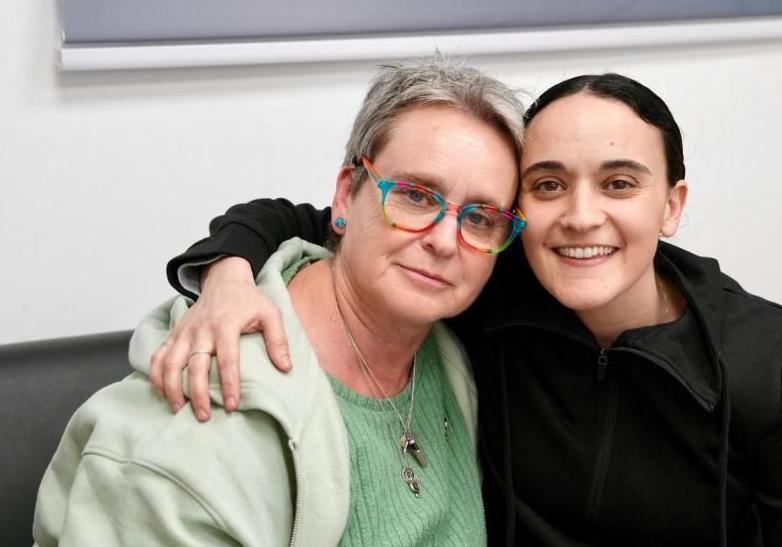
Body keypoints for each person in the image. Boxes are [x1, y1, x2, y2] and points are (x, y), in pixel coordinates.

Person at [152, 74, 782, 546]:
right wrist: (227, 275)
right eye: (549, 184)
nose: (581, 216)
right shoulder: (479, 279)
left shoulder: (759, 352)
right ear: (519, 209)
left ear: (671, 205)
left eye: (619, 183)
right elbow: (311, 218)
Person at [33, 58, 527, 546]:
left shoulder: (450, 354)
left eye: (481, 217)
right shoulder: (200, 432)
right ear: (345, 196)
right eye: (416, 196)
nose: (445, 240)